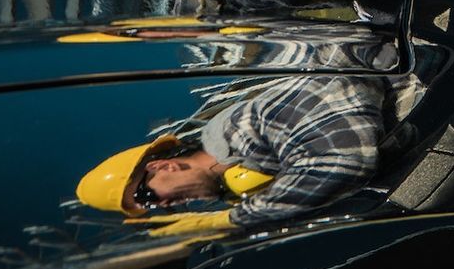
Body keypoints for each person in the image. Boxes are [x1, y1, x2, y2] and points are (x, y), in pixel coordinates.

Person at [76, 75, 389, 236]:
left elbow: (345, 161)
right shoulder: (239, 187)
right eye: (151, 207)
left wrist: (235, 220)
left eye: (146, 196)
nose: (163, 206)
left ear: (162, 165)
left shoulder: (241, 128)